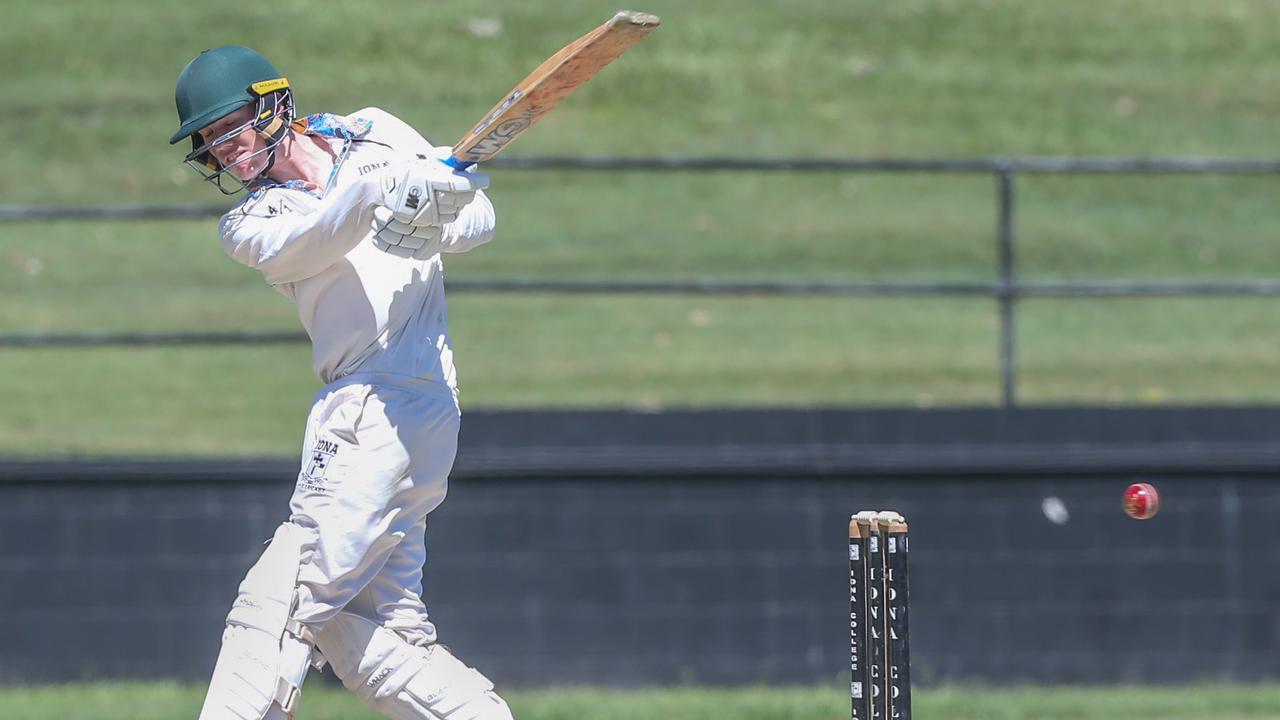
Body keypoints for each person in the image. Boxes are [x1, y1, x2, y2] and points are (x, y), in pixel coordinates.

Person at [169, 45, 512, 720]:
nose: (225, 151)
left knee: (288, 600)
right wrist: (384, 191)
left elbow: (477, 224)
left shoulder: (377, 130)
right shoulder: (251, 222)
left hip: (387, 414)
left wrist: (440, 203)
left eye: (230, 127)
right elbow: (319, 237)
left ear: (275, 105)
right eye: (210, 142)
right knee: (380, 625)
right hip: (377, 411)